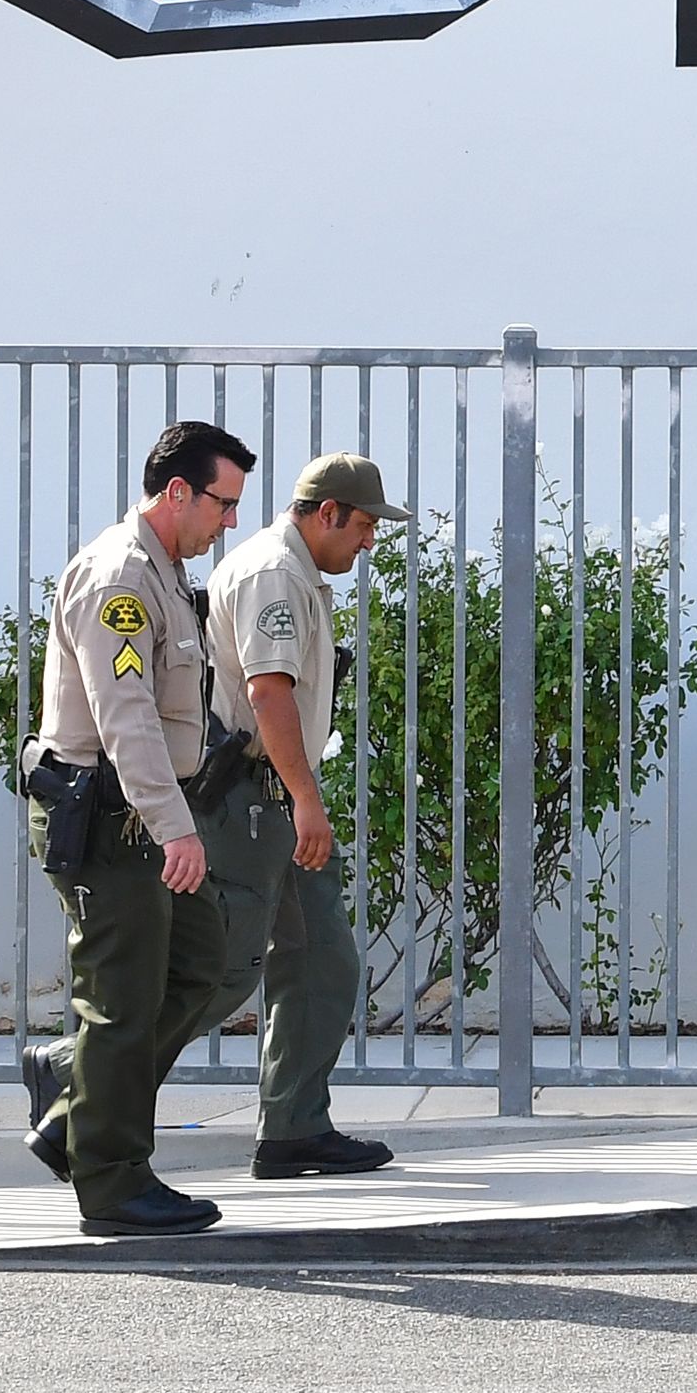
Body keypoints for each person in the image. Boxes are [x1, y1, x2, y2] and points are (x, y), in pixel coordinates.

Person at [14, 420, 248, 1235]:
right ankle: (112, 1186)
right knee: (121, 999)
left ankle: (72, 1102)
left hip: (145, 814)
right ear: (176, 491)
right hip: (113, 817)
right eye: (222, 505)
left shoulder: (167, 574)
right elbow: (128, 717)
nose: (229, 525)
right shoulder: (120, 577)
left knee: (201, 964)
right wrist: (174, 826)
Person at [205, 450, 394, 1178]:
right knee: (217, 974)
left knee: (321, 960)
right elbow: (268, 694)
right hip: (249, 797)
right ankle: (77, 1080)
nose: (369, 541)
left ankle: (292, 1127)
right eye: (364, 525)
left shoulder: (297, 571)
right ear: (328, 513)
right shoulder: (273, 575)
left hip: (273, 794)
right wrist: (306, 799)